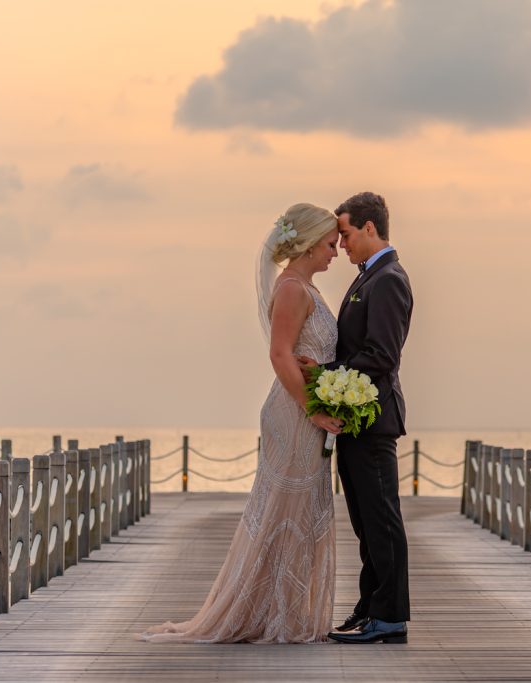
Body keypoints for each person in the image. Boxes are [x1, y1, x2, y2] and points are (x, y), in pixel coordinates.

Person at [139, 203, 342, 643]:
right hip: (294, 414)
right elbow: (279, 354)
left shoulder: (306, 286)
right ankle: (269, 613)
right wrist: (314, 408)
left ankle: (285, 610)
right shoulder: (291, 288)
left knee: (303, 510)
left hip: (307, 410)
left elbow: (305, 353)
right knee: (283, 511)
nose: (336, 253)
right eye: (330, 245)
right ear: (308, 244)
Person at [320, 192, 414, 644]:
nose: (342, 245)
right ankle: (370, 606)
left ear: (370, 228)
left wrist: (325, 378)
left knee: (381, 519)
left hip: (374, 420)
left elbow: (380, 355)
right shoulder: (369, 278)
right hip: (356, 418)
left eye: (346, 233)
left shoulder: (389, 280)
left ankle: (390, 617)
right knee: (364, 521)